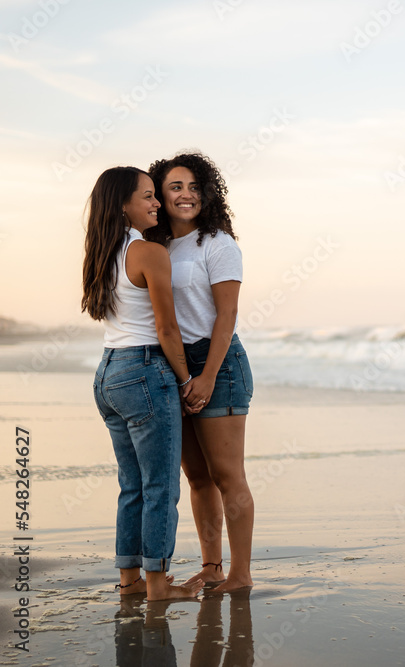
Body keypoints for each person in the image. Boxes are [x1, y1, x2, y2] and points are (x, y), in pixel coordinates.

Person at [82, 166, 204, 600]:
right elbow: (167, 329)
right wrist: (187, 378)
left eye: (156, 195)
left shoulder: (102, 251)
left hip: (109, 374)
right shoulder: (149, 252)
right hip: (145, 371)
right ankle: (157, 585)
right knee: (161, 486)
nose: (157, 204)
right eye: (148, 196)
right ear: (122, 204)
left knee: (132, 485)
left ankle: (130, 581)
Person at [147, 152, 255, 593]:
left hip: (219, 363)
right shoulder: (153, 247)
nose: (186, 195)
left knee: (228, 476)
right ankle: (211, 566)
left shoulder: (218, 244)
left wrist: (207, 376)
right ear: (160, 195)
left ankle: (240, 574)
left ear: (206, 193)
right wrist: (181, 373)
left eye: (194, 187)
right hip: (173, 365)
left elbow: (226, 316)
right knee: (197, 477)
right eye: (175, 187)